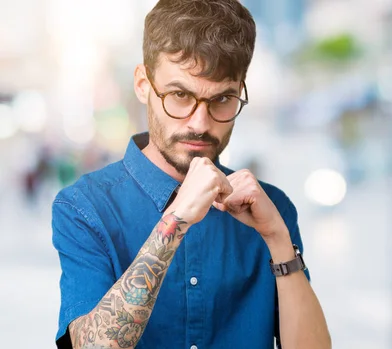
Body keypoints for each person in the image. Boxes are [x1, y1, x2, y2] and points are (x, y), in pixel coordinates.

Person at [51, 1, 331, 348]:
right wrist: (176, 219)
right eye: (181, 95)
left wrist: (277, 237)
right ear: (143, 84)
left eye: (223, 99)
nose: (200, 123)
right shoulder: (84, 207)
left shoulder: (272, 209)